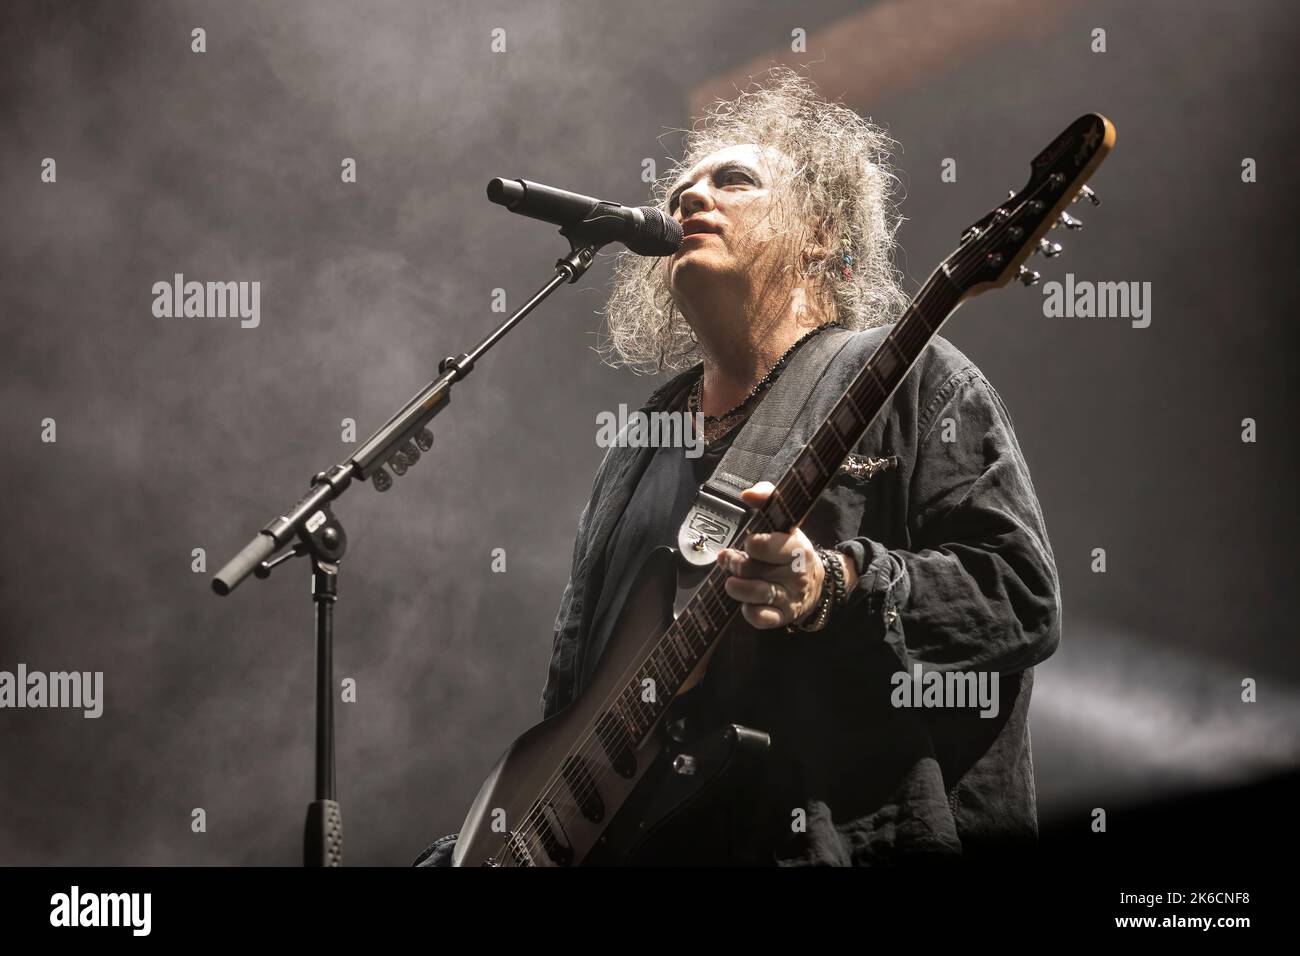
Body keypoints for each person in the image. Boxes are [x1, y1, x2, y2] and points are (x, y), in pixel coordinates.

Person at [416, 66, 1060, 867]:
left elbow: (1019, 596)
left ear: (821, 232)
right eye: (681, 186)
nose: (689, 197)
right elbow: (574, 706)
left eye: (733, 179)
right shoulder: (644, 441)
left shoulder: (910, 380)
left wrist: (834, 586)